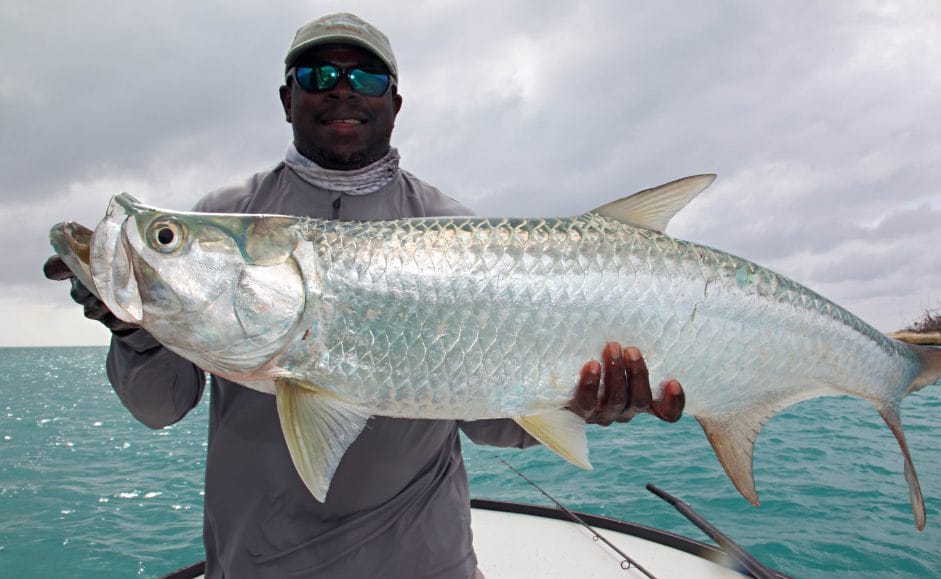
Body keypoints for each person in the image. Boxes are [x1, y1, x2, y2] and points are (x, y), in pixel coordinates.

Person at [44, 12, 685, 578]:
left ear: (395, 103)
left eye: (367, 79)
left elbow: (491, 418)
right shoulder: (229, 214)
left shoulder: (451, 231)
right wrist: (130, 327)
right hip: (254, 563)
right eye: (318, 75)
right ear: (285, 96)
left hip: (424, 562)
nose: (343, 90)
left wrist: (582, 403)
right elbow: (159, 407)